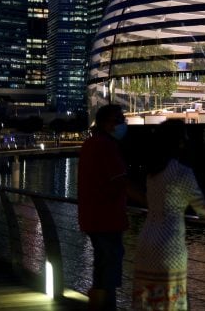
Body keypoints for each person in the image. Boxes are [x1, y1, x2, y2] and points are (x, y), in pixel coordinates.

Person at [132, 121, 205, 311]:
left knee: (147, 304)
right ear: (179, 142)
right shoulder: (182, 172)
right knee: (171, 304)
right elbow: (204, 210)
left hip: (145, 243)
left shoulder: (153, 172)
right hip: (169, 248)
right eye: (185, 136)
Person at [78, 104, 132, 311]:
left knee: (101, 270)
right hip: (107, 218)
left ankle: (98, 306)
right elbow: (121, 182)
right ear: (105, 124)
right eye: (118, 120)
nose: (122, 124)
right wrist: (150, 201)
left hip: (92, 217)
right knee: (108, 270)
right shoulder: (106, 146)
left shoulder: (90, 144)